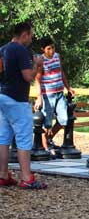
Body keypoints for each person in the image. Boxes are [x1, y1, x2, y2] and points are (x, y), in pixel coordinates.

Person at [0, 22, 47, 189]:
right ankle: (27, 177)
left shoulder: (3, 49)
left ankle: (3, 175)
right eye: (31, 35)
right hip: (17, 99)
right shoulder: (20, 50)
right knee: (24, 137)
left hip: (3, 95)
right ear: (25, 34)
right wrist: (37, 64)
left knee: (4, 137)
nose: (31, 39)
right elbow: (28, 76)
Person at [34, 37, 75, 156]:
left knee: (63, 119)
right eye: (49, 48)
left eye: (53, 47)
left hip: (59, 93)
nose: (52, 50)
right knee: (46, 123)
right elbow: (37, 79)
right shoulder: (41, 60)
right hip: (48, 94)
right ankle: (46, 148)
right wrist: (39, 97)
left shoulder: (57, 56)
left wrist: (68, 87)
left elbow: (61, 72)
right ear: (43, 49)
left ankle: (46, 140)